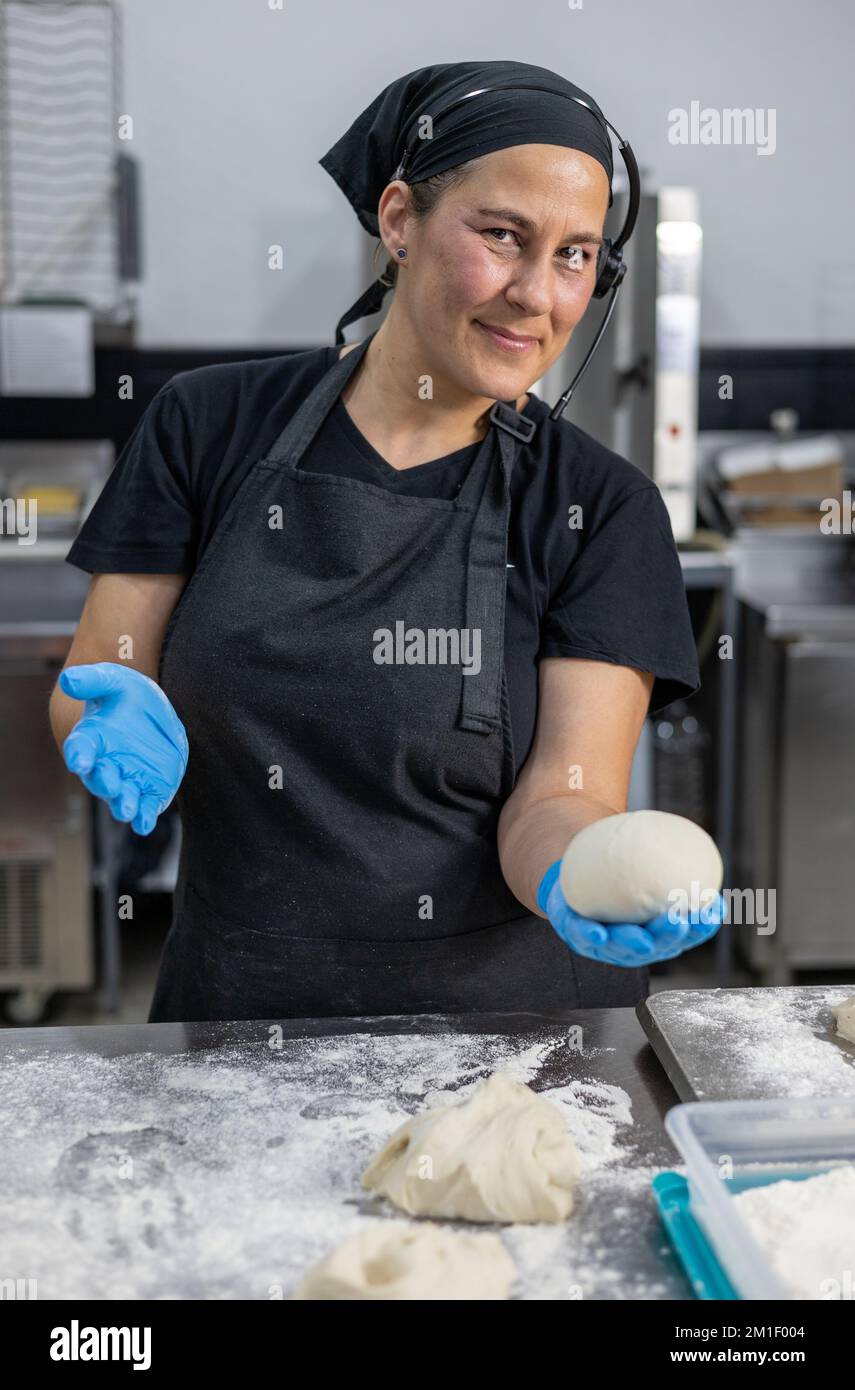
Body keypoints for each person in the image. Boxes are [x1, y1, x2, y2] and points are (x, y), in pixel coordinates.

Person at [49, 59, 718, 1023]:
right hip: (240, 1015)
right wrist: (103, 722)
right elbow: (101, 674)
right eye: (501, 236)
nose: (537, 294)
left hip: (512, 1040)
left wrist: (580, 871)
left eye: (575, 256)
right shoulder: (206, 423)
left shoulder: (597, 507)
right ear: (398, 219)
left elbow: (562, 794)